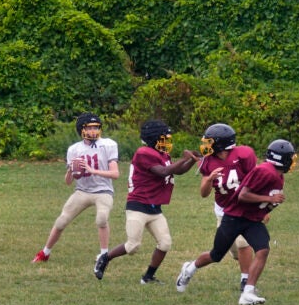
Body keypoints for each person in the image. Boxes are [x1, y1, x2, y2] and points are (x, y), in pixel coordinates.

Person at [175, 139, 297, 305]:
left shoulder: (276, 174)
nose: (293, 160)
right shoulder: (265, 171)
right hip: (234, 217)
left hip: (252, 220)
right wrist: (269, 199)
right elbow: (243, 195)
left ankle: (248, 292)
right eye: (291, 157)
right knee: (215, 255)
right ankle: (189, 269)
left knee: (262, 250)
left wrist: (264, 210)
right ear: (281, 158)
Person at [93, 120, 199, 284]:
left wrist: (191, 160)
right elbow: (163, 172)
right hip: (138, 205)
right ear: (154, 138)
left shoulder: (162, 154)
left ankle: (148, 276)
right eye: (164, 137)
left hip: (154, 208)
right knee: (132, 246)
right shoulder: (143, 152)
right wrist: (183, 158)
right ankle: (105, 258)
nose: (167, 141)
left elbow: (176, 171)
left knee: (165, 243)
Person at [31, 113, 119, 263]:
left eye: (96, 127)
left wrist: (92, 170)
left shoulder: (109, 144)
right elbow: (68, 182)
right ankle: (45, 252)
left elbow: (115, 174)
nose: (93, 131)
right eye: (90, 128)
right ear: (81, 129)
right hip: (82, 191)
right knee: (61, 221)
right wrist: (71, 169)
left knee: (102, 219)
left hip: (103, 191)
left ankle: (104, 255)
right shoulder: (74, 149)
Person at [182, 123, 257, 292]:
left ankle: (246, 283)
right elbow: (203, 193)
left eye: (209, 142)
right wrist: (209, 179)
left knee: (243, 243)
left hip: (244, 207)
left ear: (221, 143)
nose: (206, 145)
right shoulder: (208, 161)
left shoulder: (244, 155)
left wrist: (261, 207)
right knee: (223, 253)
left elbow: (255, 181)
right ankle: (189, 269)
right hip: (224, 210)